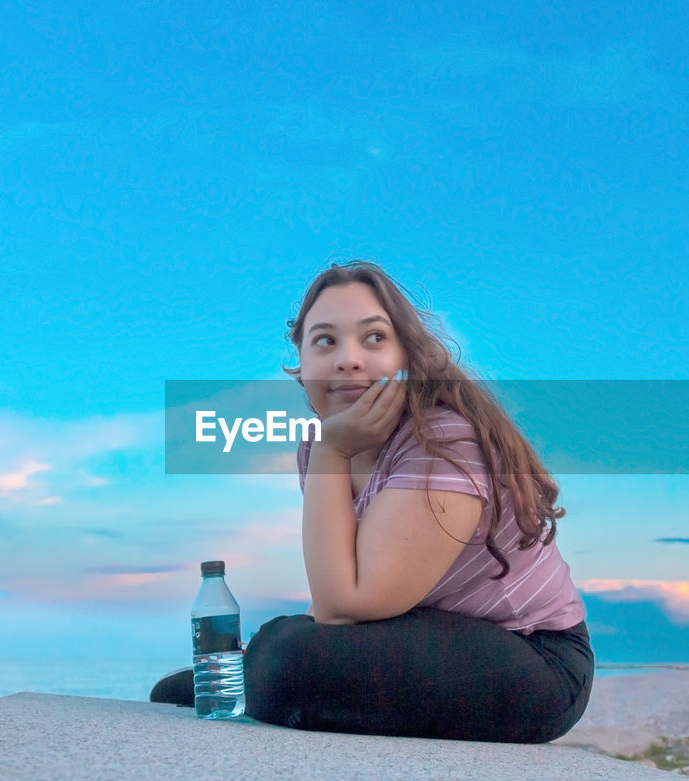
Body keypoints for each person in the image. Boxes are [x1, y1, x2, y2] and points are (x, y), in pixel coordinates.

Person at [152, 261, 593, 743]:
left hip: (535, 661)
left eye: (374, 339)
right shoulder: (323, 443)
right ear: (300, 362)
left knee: (290, 659)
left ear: (409, 356)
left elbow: (346, 606)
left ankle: (247, 673)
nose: (349, 359)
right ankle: (249, 670)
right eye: (325, 341)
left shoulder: (443, 441)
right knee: (291, 647)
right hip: (432, 633)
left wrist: (331, 450)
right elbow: (338, 583)